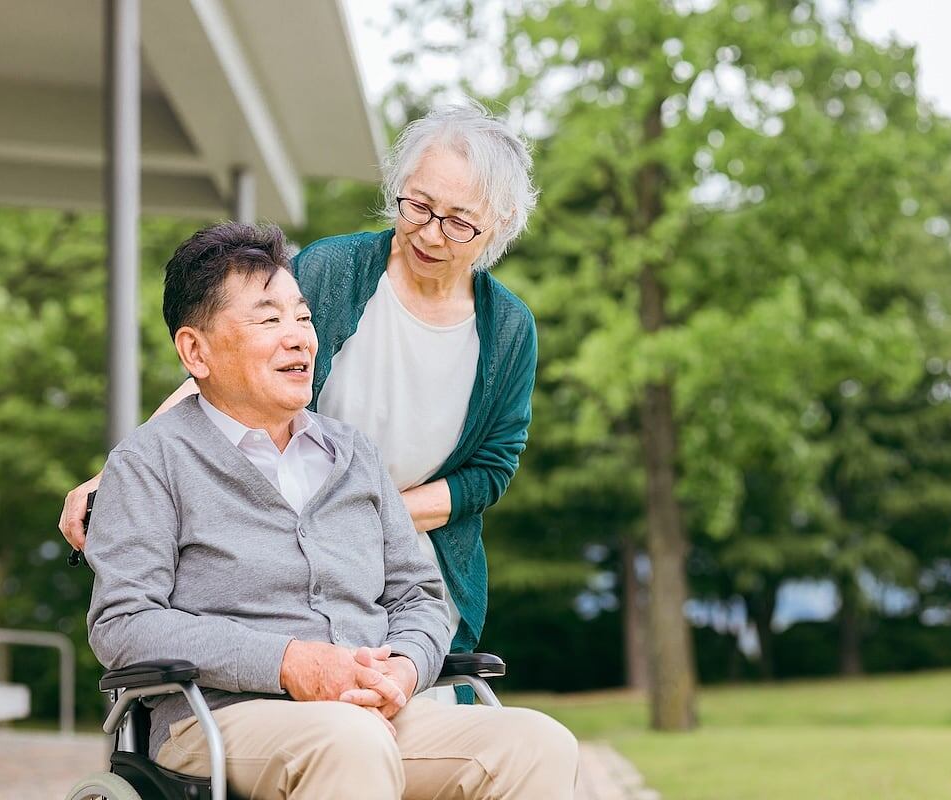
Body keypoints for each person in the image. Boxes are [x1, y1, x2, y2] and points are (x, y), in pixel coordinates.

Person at [86, 222, 577, 799]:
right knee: (351, 739)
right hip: (218, 717)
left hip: (368, 711)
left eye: (303, 317)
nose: (298, 338)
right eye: (269, 320)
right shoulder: (152, 462)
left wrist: (405, 667)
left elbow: (416, 595)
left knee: (537, 742)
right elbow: (122, 624)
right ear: (197, 350)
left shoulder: (353, 453)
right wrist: (286, 661)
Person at [63, 103, 539, 663]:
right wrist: (120, 477)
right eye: (418, 206)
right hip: (277, 547)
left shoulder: (507, 328)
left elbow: (490, 470)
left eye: (459, 221)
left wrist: (372, 520)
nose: (430, 234)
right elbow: (227, 373)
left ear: (501, 223)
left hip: (411, 570)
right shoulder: (332, 272)